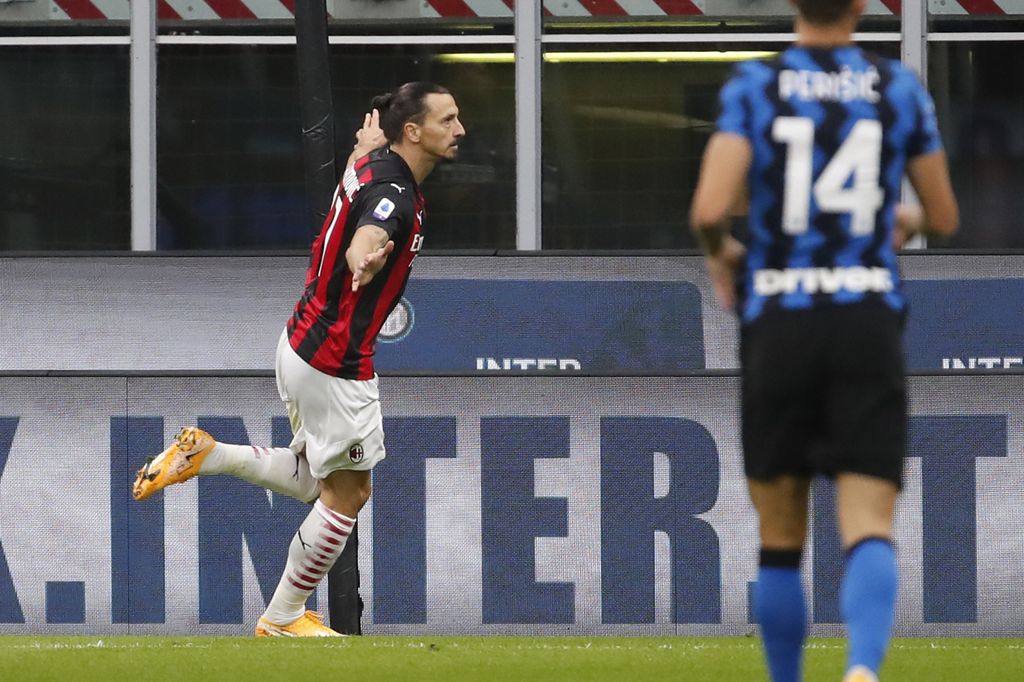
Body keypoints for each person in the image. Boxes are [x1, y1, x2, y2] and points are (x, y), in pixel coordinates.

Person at [132, 82, 466, 637]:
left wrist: (363, 148)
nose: (459, 130)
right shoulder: (396, 194)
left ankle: (208, 455)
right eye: (448, 119)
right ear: (414, 132)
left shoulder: (371, 162)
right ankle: (283, 617)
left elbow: (361, 182)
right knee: (349, 493)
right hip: (335, 359)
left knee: (318, 481)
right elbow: (370, 232)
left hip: (301, 341)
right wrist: (366, 257)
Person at [689, 1, 958, 681]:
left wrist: (723, 254)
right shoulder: (897, 85)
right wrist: (904, 214)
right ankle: (863, 669)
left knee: (781, 539)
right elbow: (946, 217)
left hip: (780, 314)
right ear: (862, 6)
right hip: (865, 314)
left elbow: (709, 212)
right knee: (868, 520)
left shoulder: (757, 83)